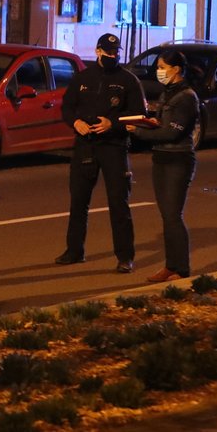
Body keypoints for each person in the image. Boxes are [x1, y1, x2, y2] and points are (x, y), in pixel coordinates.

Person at [55, 33, 147, 273]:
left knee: (119, 203)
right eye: (108, 53)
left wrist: (112, 123)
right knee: (78, 201)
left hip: (114, 147)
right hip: (85, 144)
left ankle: (125, 257)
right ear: (98, 52)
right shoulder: (83, 78)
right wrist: (75, 122)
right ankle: (74, 251)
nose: (113, 56)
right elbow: (67, 107)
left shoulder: (128, 80)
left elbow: (138, 114)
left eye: (116, 52)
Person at [125, 50, 199, 282]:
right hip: (161, 158)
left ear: (176, 69)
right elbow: (163, 125)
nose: (159, 71)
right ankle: (171, 266)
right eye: (158, 66)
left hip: (178, 159)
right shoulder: (168, 94)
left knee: (172, 215)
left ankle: (181, 269)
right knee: (166, 216)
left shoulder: (186, 97)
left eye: (163, 66)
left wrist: (138, 131)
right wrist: (150, 122)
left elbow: (171, 132)